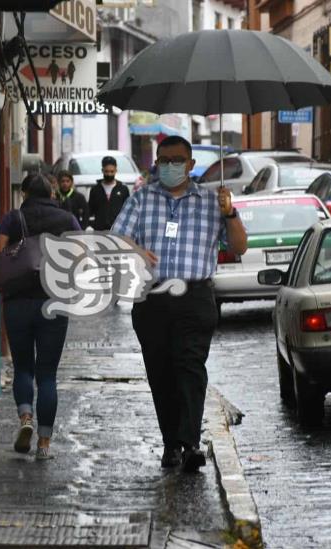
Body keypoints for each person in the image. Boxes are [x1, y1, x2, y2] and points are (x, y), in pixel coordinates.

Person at [111, 136, 248, 472]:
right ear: (157, 163)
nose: (170, 166)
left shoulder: (211, 201)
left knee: (190, 366)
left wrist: (230, 212)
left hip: (195, 297)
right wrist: (137, 251)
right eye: (165, 160)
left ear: (191, 164)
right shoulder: (142, 198)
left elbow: (240, 246)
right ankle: (171, 443)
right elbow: (117, 237)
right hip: (152, 298)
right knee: (161, 373)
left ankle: (189, 443)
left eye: (177, 160)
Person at [0, 174, 81, 460]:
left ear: (26, 193)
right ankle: (44, 445)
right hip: (54, 302)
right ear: (53, 192)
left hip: (18, 302)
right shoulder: (67, 220)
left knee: (23, 368)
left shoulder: (13, 218)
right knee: (47, 375)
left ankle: (25, 418)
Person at [88, 156, 130, 231]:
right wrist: (89, 226)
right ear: (102, 170)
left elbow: (127, 210)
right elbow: (90, 210)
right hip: (99, 230)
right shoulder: (95, 190)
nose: (109, 174)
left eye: (112, 171)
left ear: (116, 170)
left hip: (118, 229)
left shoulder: (123, 189)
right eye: (106, 171)